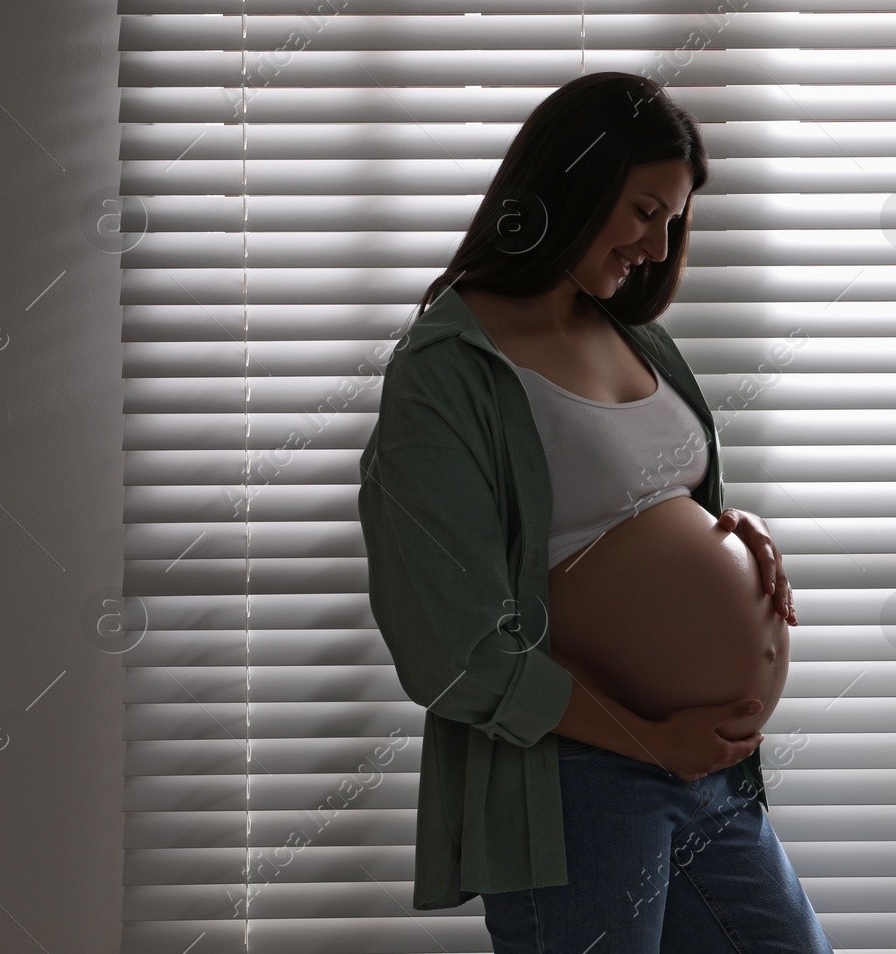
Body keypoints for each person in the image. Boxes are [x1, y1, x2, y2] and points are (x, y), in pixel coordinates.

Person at [357, 72, 834, 952]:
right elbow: (450, 650)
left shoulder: (633, 334)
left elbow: (644, 506)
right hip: (576, 778)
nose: (658, 247)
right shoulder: (447, 370)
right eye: (645, 210)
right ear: (571, 183)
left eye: (674, 221)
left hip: (707, 771)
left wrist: (736, 529)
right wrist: (650, 739)